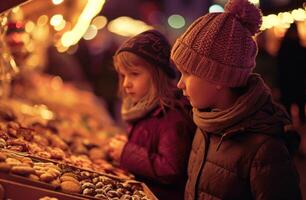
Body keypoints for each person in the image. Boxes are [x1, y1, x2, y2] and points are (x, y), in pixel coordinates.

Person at [170, 0, 302, 199]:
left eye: (187, 73)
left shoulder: (265, 150)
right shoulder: (205, 123)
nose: (180, 84)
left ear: (218, 77)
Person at [107, 30, 195, 200]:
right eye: (123, 75)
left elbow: (171, 170)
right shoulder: (146, 109)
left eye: (134, 74)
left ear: (157, 74)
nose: (126, 83)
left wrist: (126, 152)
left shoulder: (172, 116)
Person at [277, 22, 306, 123]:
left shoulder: (285, 48)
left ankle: (297, 125)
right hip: (290, 81)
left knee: (299, 104)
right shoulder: (286, 49)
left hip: (296, 81)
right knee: (290, 106)